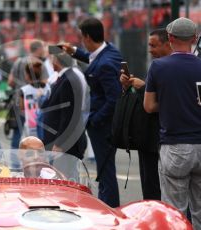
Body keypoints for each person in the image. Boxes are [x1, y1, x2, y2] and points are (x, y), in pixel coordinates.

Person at [144, 17, 201, 229]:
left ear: (170, 38)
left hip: (174, 145)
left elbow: (149, 106)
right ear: (194, 38)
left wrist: (170, 102)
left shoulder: (158, 66)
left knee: (174, 212)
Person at [61, 17, 122, 207]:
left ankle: (109, 206)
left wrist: (95, 119)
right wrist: (75, 52)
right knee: (105, 168)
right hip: (104, 122)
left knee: (105, 169)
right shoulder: (109, 52)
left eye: (81, 38)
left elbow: (114, 98)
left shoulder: (105, 64)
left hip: (103, 125)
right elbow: (93, 58)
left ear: (87, 37)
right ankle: (107, 202)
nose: (81, 41)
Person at [119, 28, 172, 200]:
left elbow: (155, 104)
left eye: (153, 45)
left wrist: (143, 88)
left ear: (168, 43)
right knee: (150, 187)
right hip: (148, 137)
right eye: (149, 45)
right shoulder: (155, 66)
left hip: (164, 138)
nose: (150, 49)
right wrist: (131, 87)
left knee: (159, 190)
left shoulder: (169, 67)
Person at [41, 53, 87, 160]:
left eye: (53, 60)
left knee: (64, 173)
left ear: (57, 62)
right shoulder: (64, 78)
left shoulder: (68, 81)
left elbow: (68, 116)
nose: (51, 63)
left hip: (63, 144)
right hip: (56, 138)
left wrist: (60, 143)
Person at [7, 40, 50, 149]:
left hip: (19, 101)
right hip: (34, 104)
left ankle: (14, 162)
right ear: (39, 49)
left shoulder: (18, 61)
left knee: (18, 133)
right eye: (43, 48)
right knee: (36, 134)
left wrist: (19, 87)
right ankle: (36, 159)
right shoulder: (39, 64)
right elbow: (45, 83)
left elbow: (10, 81)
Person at [19, 58, 50, 137]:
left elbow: (21, 107)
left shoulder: (24, 90)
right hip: (45, 123)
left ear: (28, 75)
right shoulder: (47, 88)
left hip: (30, 125)